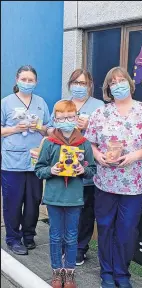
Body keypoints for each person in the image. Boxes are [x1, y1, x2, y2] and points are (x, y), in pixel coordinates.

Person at [85, 66, 142, 288]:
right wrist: (98, 156)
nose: (118, 85)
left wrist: (135, 155)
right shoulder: (101, 113)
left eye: (121, 80)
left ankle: (122, 273)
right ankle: (106, 271)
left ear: (130, 83)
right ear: (108, 88)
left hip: (135, 183)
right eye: (113, 82)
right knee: (105, 226)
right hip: (106, 181)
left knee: (127, 229)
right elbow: (90, 142)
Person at [35, 100, 96, 288]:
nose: (66, 121)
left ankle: (69, 273)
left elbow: (92, 170)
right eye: (61, 118)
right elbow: (39, 170)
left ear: (76, 118)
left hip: (74, 198)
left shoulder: (84, 144)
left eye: (70, 117)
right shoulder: (49, 143)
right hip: (54, 197)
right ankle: (56, 271)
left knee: (71, 236)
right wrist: (51, 170)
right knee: (55, 236)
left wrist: (81, 170)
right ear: (54, 120)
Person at [47, 69, 104, 265]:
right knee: (63, 211)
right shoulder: (63, 104)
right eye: (76, 83)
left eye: (83, 83)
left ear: (90, 85)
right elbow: (49, 128)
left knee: (85, 211)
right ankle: (63, 246)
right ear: (70, 84)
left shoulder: (99, 106)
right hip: (61, 170)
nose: (79, 86)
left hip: (84, 169)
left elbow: (104, 134)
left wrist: (88, 125)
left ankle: (80, 248)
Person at [1, 65, 50, 255]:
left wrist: (40, 128)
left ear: (36, 82)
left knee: (33, 201)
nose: (27, 83)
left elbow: (49, 128)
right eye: (24, 79)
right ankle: (13, 238)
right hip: (12, 162)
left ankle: (28, 235)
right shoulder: (6, 103)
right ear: (17, 80)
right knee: (13, 201)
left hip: (35, 161)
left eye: (31, 80)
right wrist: (15, 128)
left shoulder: (40, 103)